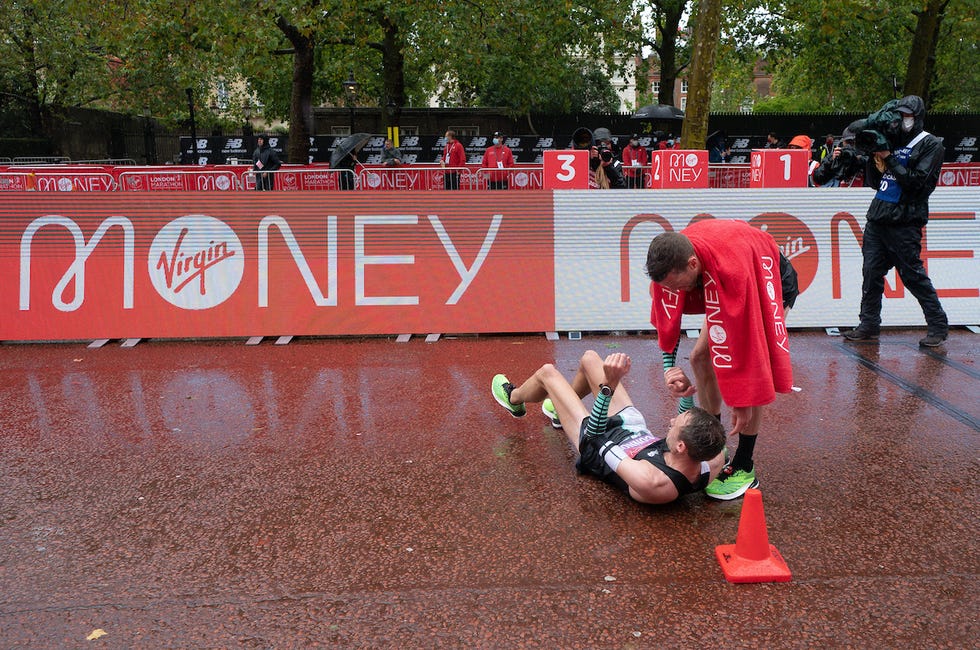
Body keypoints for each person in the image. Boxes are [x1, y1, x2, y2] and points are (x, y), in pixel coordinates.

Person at [646, 221, 795, 500]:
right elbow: (664, 314)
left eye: (678, 285)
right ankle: (714, 444)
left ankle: (744, 465)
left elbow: (746, 348)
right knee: (700, 357)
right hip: (727, 259)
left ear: (691, 265)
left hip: (763, 275)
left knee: (754, 368)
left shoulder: (733, 273)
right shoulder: (671, 268)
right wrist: (669, 368)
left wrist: (741, 401)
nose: (676, 292)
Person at [491, 351, 727, 505]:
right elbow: (699, 430)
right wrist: (684, 395)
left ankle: (514, 399)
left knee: (547, 372)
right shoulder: (712, 455)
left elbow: (594, 437)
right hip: (634, 430)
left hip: (598, 444)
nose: (671, 421)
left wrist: (609, 387)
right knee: (591, 359)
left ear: (680, 446)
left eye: (676, 424)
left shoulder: (653, 481)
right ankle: (558, 410)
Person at [842, 95, 948, 347]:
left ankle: (938, 325)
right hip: (878, 218)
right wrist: (871, 158)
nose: (902, 120)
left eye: (907, 115)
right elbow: (876, 184)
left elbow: (918, 184)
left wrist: (889, 157)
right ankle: (869, 325)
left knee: (912, 275)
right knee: (871, 274)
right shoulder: (891, 140)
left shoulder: (931, 144)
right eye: (899, 115)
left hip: (905, 222)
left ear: (918, 116)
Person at [811, 121, 867, 187]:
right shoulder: (838, 154)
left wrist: (858, 160)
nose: (850, 146)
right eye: (848, 142)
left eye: (853, 142)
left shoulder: (866, 155)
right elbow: (818, 179)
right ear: (843, 142)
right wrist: (831, 161)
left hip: (862, 194)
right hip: (839, 194)